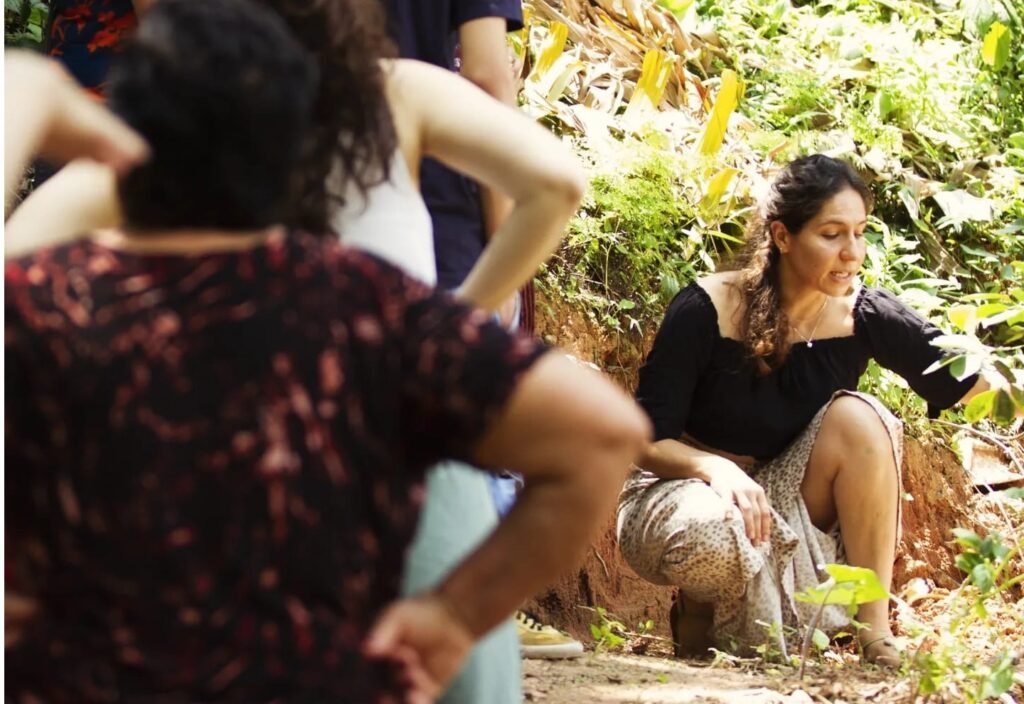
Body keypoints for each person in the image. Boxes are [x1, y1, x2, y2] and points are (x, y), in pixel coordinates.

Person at [4, 2, 651, 702]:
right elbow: (605, 432)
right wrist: (454, 616)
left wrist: (23, 98)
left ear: (125, 142)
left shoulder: (50, 303)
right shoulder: (367, 308)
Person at [616, 155, 1002, 668]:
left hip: (780, 496)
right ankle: (697, 608)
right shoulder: (705, 309)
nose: (853, 253)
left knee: (862, 418)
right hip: (676, 491)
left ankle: (876, 635)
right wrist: (716, 469)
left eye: (861, 233)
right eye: (832, 234)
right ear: (781, 235)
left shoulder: (863, 315)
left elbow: (973, 376)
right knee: (715, 526)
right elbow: (643, 441)